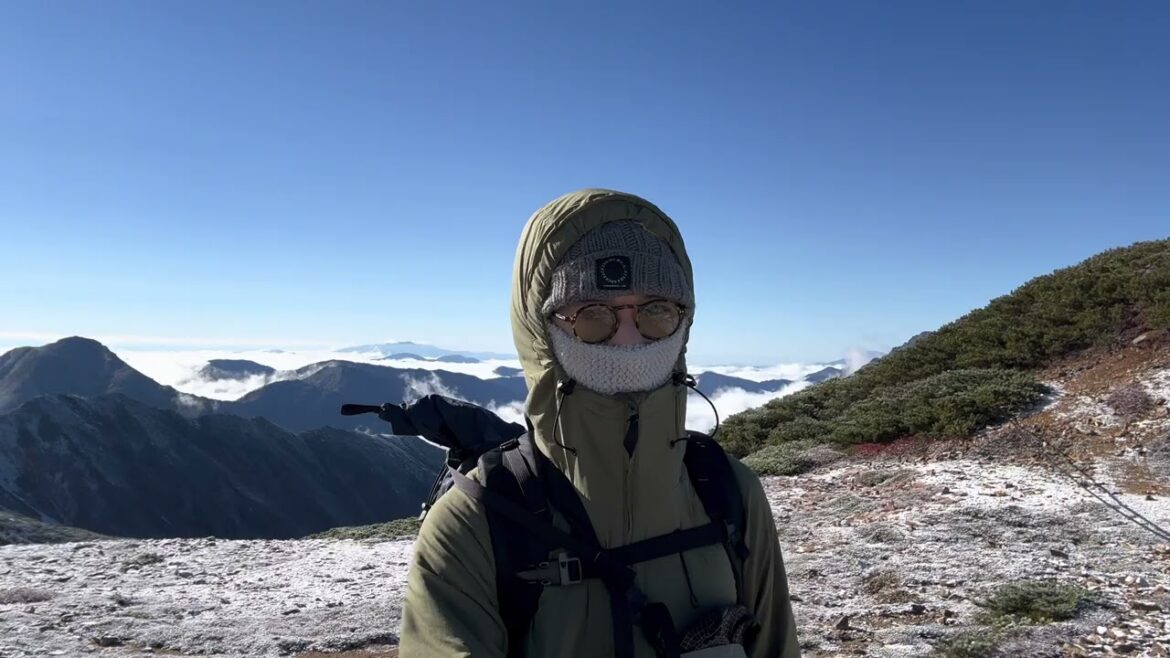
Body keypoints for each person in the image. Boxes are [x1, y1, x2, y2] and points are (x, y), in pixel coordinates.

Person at [400, 189, 800, 657]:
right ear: (541, 330)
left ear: (684, 322)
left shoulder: (729, 491)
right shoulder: (475, 522)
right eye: (592, 316)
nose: (629, 340)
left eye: (657, 312)